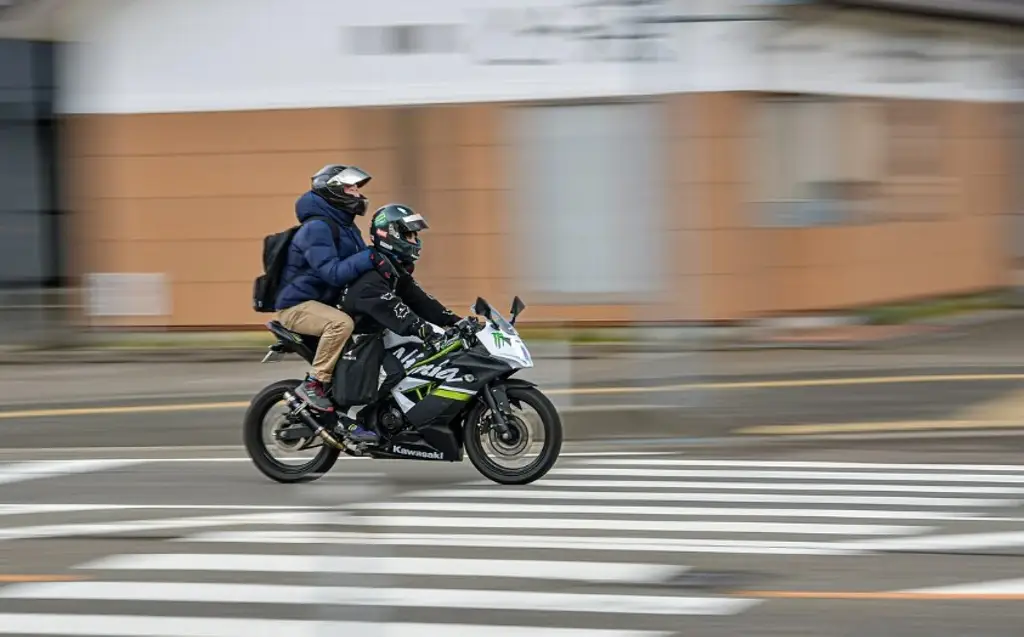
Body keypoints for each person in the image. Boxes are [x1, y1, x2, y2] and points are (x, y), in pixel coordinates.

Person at [334, 203, 471, 443]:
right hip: (359, 338)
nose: (415, 240)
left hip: (377, 333)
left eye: (415, 235)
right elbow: (394, 310)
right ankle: (348, 417)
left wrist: (455, 321)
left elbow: (422, 301)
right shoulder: (371, 274)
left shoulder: (392, 269)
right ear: (389, 234)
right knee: (395, 371)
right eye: (409, 235)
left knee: (426, 353)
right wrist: (422, 328)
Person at [273, 164, 386, 430]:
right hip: (297, 307)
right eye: (350, 187)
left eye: (357, 187)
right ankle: (314, 384)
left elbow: (361, 269)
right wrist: (371, 256)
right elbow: (333, 273)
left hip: (323, 303)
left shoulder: (345, 226)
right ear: (333, 190)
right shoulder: (317, 228)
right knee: (341, 324)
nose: (357, 192)